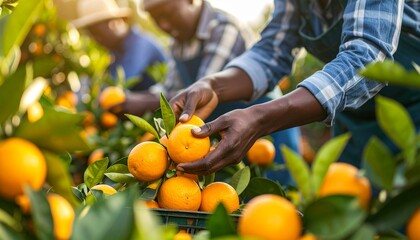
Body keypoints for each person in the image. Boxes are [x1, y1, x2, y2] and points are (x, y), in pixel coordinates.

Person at [169, 0, 420, 176]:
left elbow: (366, 59)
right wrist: (213, 85)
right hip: (355, 120)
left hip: (413, 117)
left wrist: (260, 118)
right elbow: (271, 51)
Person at [118, 0, 302, 185]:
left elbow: (202, 87)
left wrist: (138, 103)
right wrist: (126, 100)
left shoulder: (222, 28)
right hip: (224, 137)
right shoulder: (179, 43)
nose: (164, 24)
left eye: (168, 14)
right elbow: (170, 91)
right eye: (156, 19)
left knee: (272, 199)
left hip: (266, 132)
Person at [72, 0, 168, 91]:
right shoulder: (116, 52)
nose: (96, 40)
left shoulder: (140, 44)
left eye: (97, 33)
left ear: (113, 24)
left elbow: (117, 84)